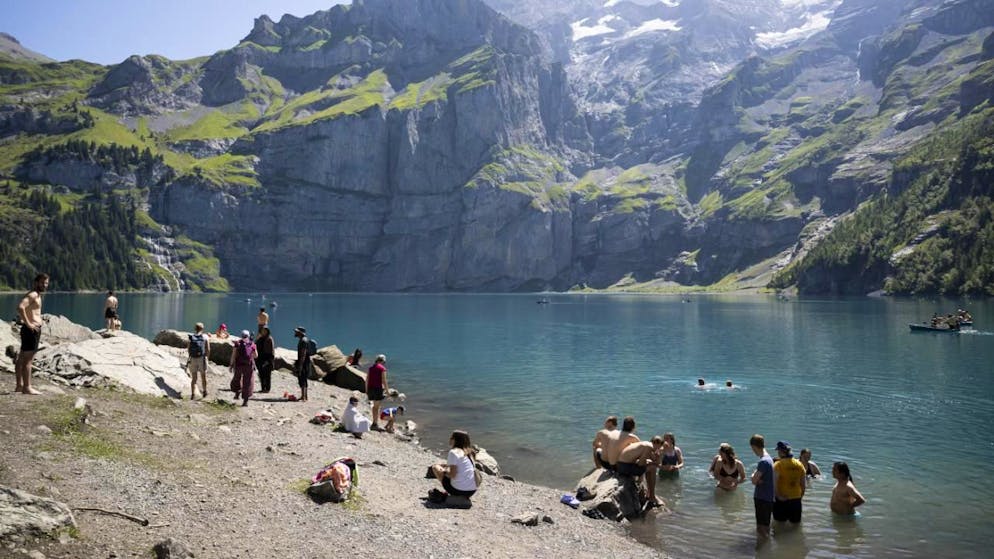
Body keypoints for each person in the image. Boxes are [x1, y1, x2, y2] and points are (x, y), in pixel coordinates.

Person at [15, 273, 48, 395]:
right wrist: (29, 324)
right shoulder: (33, 294)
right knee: (28, 360)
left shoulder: (37, 295)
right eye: (42, 282)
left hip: (29, 330)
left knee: (21, 358)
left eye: (46, 283)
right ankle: (27, 387)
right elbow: (20, 307)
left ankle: (19, 386)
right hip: (31, 331)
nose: (44, 285)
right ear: (36, 282)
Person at [616, 435, 665, 507]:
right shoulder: (649, 447)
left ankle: (649, 493)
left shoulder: (645, 444)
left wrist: (649, 461)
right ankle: (652, 496)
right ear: (658, 444)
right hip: (625, 467)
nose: (659, 449)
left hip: (621, 466)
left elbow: (638, 460)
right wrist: (653, 460)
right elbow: (641, 464)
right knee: (653, 468)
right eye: (660, 447)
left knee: (650, 467)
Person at [430, 430, 478, 499]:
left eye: (451, 438)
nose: (449, 439)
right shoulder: (470, 452)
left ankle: (452, 493)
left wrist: (444, 471)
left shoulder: (453, 452)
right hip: (472, 491)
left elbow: (452, 475)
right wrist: (447, 466)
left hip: (459, 491)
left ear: (455, 440)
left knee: (435, 467)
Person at [773, 441, 806, 524]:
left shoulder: (778, 465)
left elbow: (774, 483)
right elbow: (803, 485)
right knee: (795, 525)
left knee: (780, 525)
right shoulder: (799, 464)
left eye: (778, 451)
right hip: (796, 499)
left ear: (781, 452)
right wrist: (800, 496)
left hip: (782, 499)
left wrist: (778, 496)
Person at [750, 434, 775, 540]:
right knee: (766, 525)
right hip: (769, 497)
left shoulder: (763, 462)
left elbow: (754, 480)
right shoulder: (769, 459)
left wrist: (753, 475)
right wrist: (758, 479)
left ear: (754, 446)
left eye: (752, 449)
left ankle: (763, 545)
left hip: (762, 498)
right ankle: (766, 545)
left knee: (761, 528)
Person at [229, 330, 257, 407]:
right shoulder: (252, 344)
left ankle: (237, 393)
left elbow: (233, 355)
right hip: (248, 366)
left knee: (237, 378)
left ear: (241, 335)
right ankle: (245, 401)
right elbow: (256, 355)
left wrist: (231, 365)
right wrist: (250, 355)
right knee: (247, 382)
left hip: (239, 365)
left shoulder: (237, 343)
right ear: (248, 336)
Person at [187, 322, 211, 399]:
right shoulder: (205, 337)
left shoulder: (191, 337)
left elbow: (188, 349)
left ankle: (193, 394)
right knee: (203, 376)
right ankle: (204, 391)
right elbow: (208, 349)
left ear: (195, 328)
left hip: (193, 358)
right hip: (202, 358)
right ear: (202, 329)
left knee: (194, 378)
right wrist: (207, 358)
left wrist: (191, 356)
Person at [367, 354, 389, 430]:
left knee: (374, 407)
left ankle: (375, 422)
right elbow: (384, 381)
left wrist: (366, 390)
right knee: (377, 407)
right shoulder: (382, 368)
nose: (384, 364)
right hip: (378, 389)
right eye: (384, 362)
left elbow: (367, 379)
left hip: (370, 389)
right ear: (382, 361)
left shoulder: (370, 368)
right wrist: (387, 391)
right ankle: (375, 424)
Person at [293, 326, 312, 402]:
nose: (295, 333)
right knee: (303, 379)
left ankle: (303, 397)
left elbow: (303, 353)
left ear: (300, 333)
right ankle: (304, 396)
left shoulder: (303, 341)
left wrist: (300, 365)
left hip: (304, 363)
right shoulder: (304, 340)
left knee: (302, 379)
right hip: (305, 362)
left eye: (297, 332)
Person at [255, 326, 275, 393]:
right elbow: (255, 346)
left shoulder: (269, 339)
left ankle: (267, 389)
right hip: (260, 359)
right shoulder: (260, 339)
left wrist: (269, 361)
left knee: (267, 375)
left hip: (267, 359)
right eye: (262, 331)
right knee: (261, 375)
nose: (263, 332)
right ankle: (263, 388)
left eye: (265, 331)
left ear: (267, 331)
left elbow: (271, 351)